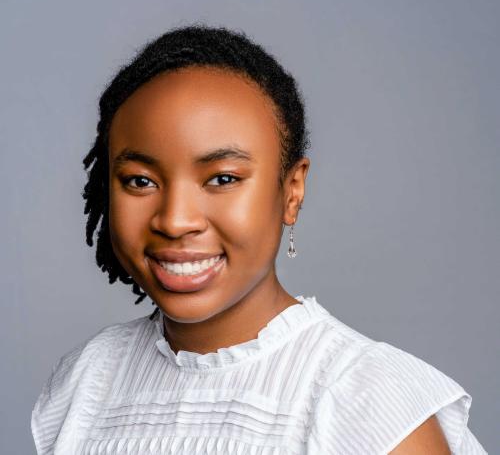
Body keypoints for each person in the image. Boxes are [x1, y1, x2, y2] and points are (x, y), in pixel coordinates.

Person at [31, 25, 487, 454]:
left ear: (292, 191)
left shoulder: (365, 402)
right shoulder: (88, 379)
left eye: (223, 178)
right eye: (139, 181)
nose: (174, 220)